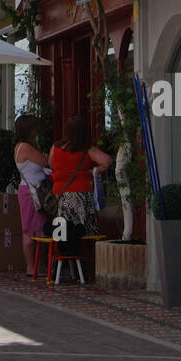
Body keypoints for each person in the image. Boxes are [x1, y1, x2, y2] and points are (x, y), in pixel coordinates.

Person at [49, 116, 113, 257]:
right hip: (82, 194)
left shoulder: (56, 147)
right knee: (83, 231)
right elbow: (107, 160)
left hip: (60, 194)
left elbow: (51, 164)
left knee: (63, 231)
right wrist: (93, 171)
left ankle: (60, 261)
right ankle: (83, 263)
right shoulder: (87, 150)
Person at [13, 113, 51, 276]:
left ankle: (37, 265)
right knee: (31, 229)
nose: (37, 131)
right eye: (35, 128)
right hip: (32, 192)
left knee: (38, 228)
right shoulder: (26, 147)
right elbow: (46, 162)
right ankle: (32, 266)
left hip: (31, 190)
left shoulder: (20, 146)